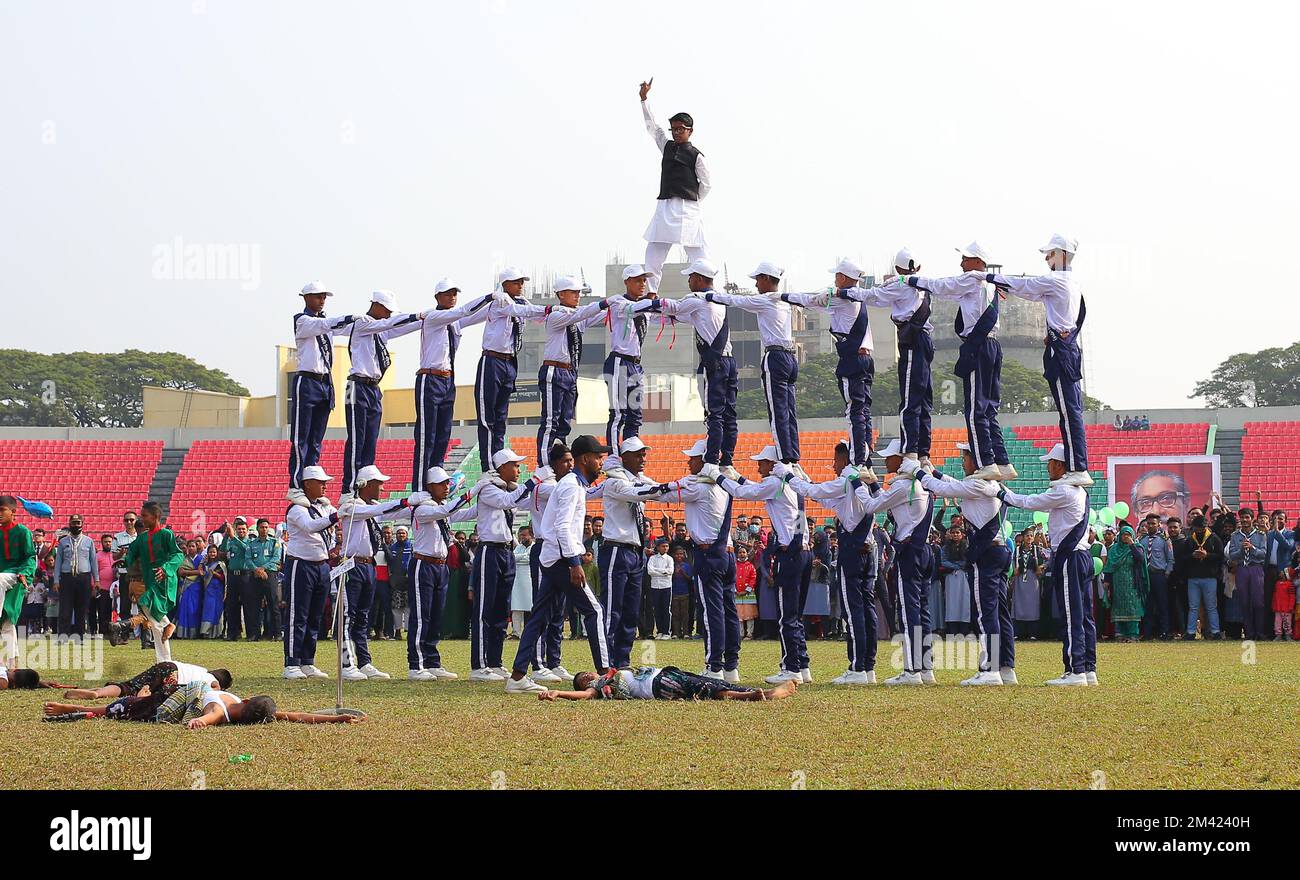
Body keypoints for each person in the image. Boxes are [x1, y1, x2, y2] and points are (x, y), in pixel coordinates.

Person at [889, 243, 1013, 480]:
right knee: (988, 409)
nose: (961, 264)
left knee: (975, 411)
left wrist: (912, 281)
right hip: (992, 347)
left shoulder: (973, 279)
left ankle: (986, 463)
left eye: (965, 259)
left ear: (977, 261)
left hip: (979, 346)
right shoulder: (989, 284)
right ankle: (1002, 461)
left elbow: (942, 286)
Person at [507, 437, 613, 694]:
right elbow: (563, 527)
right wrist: (575, 563)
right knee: (594, 611)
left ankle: (518, 676)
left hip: (553, 559)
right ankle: (606, 673)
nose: (601, 462)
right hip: (562, 561)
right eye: (598, 457)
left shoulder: (573, 484)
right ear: (585, 459)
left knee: (539, 618)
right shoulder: (570, 486)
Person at [987, 234, 1091, 486]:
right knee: (1070, 411)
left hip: (1062, 352)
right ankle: (1077, 466)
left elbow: (1026, 287)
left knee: (1068, 412)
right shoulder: (1071, 281)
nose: (1047, 258)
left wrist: (990, 277)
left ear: (1063, 255)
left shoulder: (1056, 280)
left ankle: (1077, 467)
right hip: (1067, 347)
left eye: (1051, 253)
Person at [909, 440, 1016, 684]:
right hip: (998, 551)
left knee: (985, 612)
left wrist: (918, 472)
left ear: (977, 461)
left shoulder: (977, 483)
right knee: (1000, 612)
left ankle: (989, 670)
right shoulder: (988, 482)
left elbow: (945, 489)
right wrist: (932, 470)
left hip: (986, 553)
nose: (962, 461)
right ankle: (1006, 667)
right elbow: (952, 484)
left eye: (966, 457)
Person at [997, 442, 1098, 685]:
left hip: (1070, 556)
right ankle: (1087, 667)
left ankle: (1076, 671)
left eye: (1051, 463)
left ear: (1061, 466)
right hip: (1081, 556)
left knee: (1072, 614)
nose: (1048, 468)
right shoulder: (1079, 491)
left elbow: (1029, 502)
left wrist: (1002, 493)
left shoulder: (1064, 491)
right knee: (1084, 615)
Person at [711, 445, 811, 684]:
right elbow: (757, 489)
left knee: (786, 614)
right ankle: (803, 664)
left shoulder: (775, 483)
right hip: (803, 551)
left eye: (762, 462)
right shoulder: (791, 482)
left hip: (791, 554)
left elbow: (746, 493)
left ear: (773, 464)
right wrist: (739, 477)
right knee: (795, 614)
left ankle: (791, 667)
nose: (759, 466)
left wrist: (720, 477)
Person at [786, 441, 879, 684]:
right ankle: (867, 665)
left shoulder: (847, 482)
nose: (833, 466)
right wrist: (803, 477)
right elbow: (825, 499)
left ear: (846, 461)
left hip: (853, 552)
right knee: (865, 609)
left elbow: (815, 493)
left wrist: (789, 477)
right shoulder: (857, 486)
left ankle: (858, 667)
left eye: (837, 461)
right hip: (866, 553)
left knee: (854, 610)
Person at [849, 440, 935, 685]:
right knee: (923, 611)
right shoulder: (918, 484)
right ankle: (925, 668)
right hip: (924, 549)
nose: (886, 461)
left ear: (901, 460)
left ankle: (911, 671)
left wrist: (857, 482)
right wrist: (874, 483)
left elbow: (872, 506)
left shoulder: (904, 486)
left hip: (909, 551)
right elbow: (887, 499)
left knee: (909, 612)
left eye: (890, 457)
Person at [839, 248, 934, 466]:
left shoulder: (899, 284)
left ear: (897, 268)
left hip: (912, 339)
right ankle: (923, 453)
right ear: (917, 267)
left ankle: (910, 451)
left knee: (910, 398)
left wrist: (844, 293)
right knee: (923, 399)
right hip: (926, 340)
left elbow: (870, 296)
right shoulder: (925, 284)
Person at [705, 261, 802, 465]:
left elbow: (735, 300)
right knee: (790, 411)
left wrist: (710, 296)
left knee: (778, 412)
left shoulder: (765, 300)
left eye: (758, 280)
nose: (756, 285)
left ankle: (785, 459)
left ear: (767, 279)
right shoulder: (784, 301)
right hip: (791, 357)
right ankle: (793, 455)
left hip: (775, 356)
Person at [783, 259, 875, 466]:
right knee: (863, 411)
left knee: (854, 411)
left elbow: (809, 300)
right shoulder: (854, 299)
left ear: (842, 277)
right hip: (865, 358)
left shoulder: (841, 299)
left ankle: (858, 460)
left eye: (836, 276)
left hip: (852, 360)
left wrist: (783, 296)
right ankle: (866, 456)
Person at [388, 467, 477, 680]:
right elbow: (445, 512)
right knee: (421, 615)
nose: (447, 487)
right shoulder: (422, 509)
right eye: (442, 484)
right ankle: (416, 664)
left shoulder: (441, 508)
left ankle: (432, 660)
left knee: (437, 615)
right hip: (423, 564)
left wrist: (481, 502)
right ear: (430, 487)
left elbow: (460, 513)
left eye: (448, 483)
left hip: (440, 566)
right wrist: (470, 493)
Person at [652, 260, 738, 469]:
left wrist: (650, 304)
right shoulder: (717, 302)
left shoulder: (697, 299)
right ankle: (727, 461)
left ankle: (711, 461)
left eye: (690, 277)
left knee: (713, 415)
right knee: (729, 416)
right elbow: (684, 317)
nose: (688, 281)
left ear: (699, 279)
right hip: (729, 361)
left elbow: (675, 308)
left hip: (714, 364)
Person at [340, 290, 424, 501]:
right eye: (386, 310)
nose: (388, 315)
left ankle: (366, 485)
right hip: (356, 386)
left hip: (374, 388)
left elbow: (400, 327)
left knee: (371, 440)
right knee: (357, 438)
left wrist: (425, 319)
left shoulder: (380, 330)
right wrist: (415, 316)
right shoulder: (363, 323)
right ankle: (348, 489)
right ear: (376, 306)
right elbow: (389, 324)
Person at [590, 436, 663, 669]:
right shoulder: (614, 482)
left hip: (636, 552)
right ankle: (607, 663)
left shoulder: (641, 480)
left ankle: (622, 661)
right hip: (616, 550)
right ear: (623, 458)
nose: (643, 459)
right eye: (637, 455)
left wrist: (677, 488)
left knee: (631, 612)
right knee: (613, 610)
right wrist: (662, 489)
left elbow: (657, 490)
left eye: (644, 454)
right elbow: (637, 493)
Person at [336, 465, 414, 680]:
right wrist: (403, 502)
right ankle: (346, 663)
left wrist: (414, 503)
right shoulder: (352, 506)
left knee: (363, 616)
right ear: (366, 485)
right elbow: (377, 511)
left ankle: (364, 661)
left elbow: (394, 510)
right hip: (352, 564)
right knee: (348, 616)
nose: (381, 487)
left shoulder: (373, 507)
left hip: (368, 565)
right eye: (378, 483)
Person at [412, 278, 492, 485]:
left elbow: (474, 315)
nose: (452, 297)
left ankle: (436, 478)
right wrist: (488, 297)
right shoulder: (435, 316)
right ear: (437, 297)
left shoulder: (453, 320)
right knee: (426, 435)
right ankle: (419, 484)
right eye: (447, 294)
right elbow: (465, 311)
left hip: (448, 380)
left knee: (443, 434)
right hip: (430, 378)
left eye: (455, 294)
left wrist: (498, 305)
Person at [469, 448, 540, 681]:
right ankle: (478, 666)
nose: (518, 470)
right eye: (515, 466)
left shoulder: (506, 489)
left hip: (506, 552)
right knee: (484, 609)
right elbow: (507, 501)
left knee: (501, 610)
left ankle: (494, 661)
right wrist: (533, 481)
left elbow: (522, 500)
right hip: (489, 550)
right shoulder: (489, 489)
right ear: (502, 467)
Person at [637, 78, 710, 294]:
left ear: (690, 131)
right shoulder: (666, 146)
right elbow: (653, 128)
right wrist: (644, 100)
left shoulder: (697, 156)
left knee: (699, 253)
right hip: (666, 207)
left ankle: (708, 289)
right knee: (654, 252)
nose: (676, 133)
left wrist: (693, 200)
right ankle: (651, 291)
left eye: (681, 129)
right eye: (674, 129)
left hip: (688, 210)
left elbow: (706, 184)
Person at [474, 268, 549, 472]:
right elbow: (521, 312)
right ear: (505, 284)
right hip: (492, 360)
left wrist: (557, 312)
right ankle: (488, 466)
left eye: (521, 282)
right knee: (487, 418)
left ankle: (498, 461)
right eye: (516, 282)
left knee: (501, 418)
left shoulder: (523, 302)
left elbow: (538, 316)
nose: (521, 285)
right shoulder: (501, 302)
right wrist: (549, 309)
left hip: (510, 361)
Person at [288, 281, 357, 502]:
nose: (322, 300)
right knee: (301, 438)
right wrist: (348, 318)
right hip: (307, 380)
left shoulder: (324, 322)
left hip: (324, 381)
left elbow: (336, 327)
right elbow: (328, 325)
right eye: (318, 296)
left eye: (324, 296)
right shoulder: (303, 320)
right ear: (307, 297)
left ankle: (312, 481)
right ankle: (296, 484)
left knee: (317, 438)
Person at [534, 276, 611, 464]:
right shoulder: (557, 315)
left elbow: (597, 316)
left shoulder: (577, 317)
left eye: (578, 292)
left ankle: (560, 461)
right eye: (573, 292)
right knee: (550, 421)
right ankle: (543, 464)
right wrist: (603, 303)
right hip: (555, 370)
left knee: (565, 422)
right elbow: (580, 315)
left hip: (570, 372)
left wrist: (618, 307)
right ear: (561, 294)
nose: (578, 296)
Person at [43, 684, 361, 727]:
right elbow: (295, 717)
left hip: (162, 704)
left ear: (247, 700)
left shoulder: (225, 707)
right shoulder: (230, 710)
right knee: (125, 706)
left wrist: (199, 723)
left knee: (121, 707)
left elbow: (207, 719)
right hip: (167, 700)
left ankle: (75, 711)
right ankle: (78, 710)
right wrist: (334, 719)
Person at [282, 465, 342, 680]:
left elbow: (331, 524)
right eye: (321, 482)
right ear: (307, 484)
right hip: (301, 564)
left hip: (321, 565)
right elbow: (311, 526)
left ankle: (307, 660)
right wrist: (336, 517)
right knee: (297, 614)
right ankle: (291, 662)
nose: (325, 486)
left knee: (315, 615)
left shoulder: (324, 506)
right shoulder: (297, 509)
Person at [604, 265, 659, 454]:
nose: (642, 284)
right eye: (637, 280)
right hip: (619, 361)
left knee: (635, 415)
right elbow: (633, 309)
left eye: (644, 280)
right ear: (626, 282)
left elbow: (662, 315)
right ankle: (613, 457)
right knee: (619, 414)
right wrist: (651, 303)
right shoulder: (619, 302)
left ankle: (630, 454)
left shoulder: (645, 305)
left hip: (636, 364)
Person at [123, 501, 184, 664]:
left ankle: (164, 660)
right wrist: (124, 559)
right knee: (154, 618)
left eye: (144, 516)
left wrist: (166, 569)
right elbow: (131, 553)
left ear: (155, 517)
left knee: (149, 609)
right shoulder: (142, 538)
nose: (141, 519)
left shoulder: (166, 535)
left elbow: (178, 555)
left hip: (165, 580)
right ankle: (168, 628)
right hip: (150, 580)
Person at [539, 667, 797, 703]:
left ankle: (750, 694)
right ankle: (753, 697)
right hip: (660, 684)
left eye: (588, 673)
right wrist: (559, 692)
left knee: (708, 684)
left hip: (663, 676)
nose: (588, 675)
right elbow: (584, 695)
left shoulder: (609, 677)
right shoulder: (597, 687)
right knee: (705, 687)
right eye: (585, 676)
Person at [57, 660, 232, 701]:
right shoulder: (212, 681)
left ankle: (97, 692)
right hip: (174, 679)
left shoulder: (200, 670)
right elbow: (215, 690)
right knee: (151, 700)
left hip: (168, 666)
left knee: (129, 686)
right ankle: (139, 700)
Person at [0, 496, 36, 684]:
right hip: (2, 578)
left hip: (16, 577)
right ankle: (11, 665)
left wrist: (24, 572)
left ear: (13, 512)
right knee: (7, 622)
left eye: (2, 510)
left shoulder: (23, 532)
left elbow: (30, 557)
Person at [52, 515, 97, 639]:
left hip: (84, 578)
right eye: (73, 523)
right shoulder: (63, 542)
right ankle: (63, 636)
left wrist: (96, 579)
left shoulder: (89, 541)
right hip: (67, 578)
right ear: (69, 524)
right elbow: (58, 563)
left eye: (78, 523)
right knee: (65, 609)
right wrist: (56, 580)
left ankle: (80, 636)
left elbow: (93, 561)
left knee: (81, 609)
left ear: (82, 523)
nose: (76, 525)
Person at [1102, 523, 1148, 641]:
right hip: (1117, 583)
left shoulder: (1137, 547)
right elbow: (1109, 566)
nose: (1125, 537)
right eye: (1123, 535)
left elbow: (1140, 558)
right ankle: (1120, 633)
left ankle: (1133, 634)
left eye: (1128, 535)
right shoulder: (1114, 550)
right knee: (1118, 606)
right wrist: (1106, 583)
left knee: (1132, 607)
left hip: (1133, 583)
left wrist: (1131, 544)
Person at [1227, 507, 1269, 640]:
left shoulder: (1260, 535)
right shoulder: (1235, 536)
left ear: (1252, 519)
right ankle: (1249, 633)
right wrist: (1241, 549)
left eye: (1247, 517)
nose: (1244, 520)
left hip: (1256, 568)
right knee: (1244, 602)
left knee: (1258, 602)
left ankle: (1260, 633)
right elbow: (1232, 556)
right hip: (1242, 569)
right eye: (1242, 517)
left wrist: (1253, 548)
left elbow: (1263, 554)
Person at [245, 518, 282, 641]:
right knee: (254, 606)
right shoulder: (251, 543)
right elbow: (248, 559)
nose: (264, 529)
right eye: (262, 527)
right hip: (255, 577)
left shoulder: (274, 542)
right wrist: (257, 570)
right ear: (257, 528)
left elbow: (275, 558)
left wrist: (262, 569)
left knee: (273, 605)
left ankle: (277, 634)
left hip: (269, 576)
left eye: (266, 527)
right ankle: (254, 634)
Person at [1139, 514, 1174, 640]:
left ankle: (1164, 632)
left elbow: (1170, 559)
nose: (1150, 526)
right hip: (1146, 576)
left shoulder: (1165, 540)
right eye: (1148, 523)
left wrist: (1167, 574)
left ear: (1159, 524)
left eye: (1153, 523)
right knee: (1147, 605)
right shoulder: (1142, 540)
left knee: (1162, 605)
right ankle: (1147, 633)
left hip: (1159, 575)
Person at [647, 539, 675, 639]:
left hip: (666, 586)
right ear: (658, 547)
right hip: (655, 586)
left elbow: (670, 571)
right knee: (657, 609)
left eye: (667, 546)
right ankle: (660, 631)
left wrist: (658, 571)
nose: (665, 548)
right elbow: (650, 571)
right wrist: (663, 572)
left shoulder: (669, 559)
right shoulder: (653, 558)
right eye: (663, 546)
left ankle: (667, 632)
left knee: (666, 609)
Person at [511, 525, 534, 639]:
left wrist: (519, 558)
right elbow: (512, 558)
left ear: (531, 535)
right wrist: (523, 557)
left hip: (530, 580)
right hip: (518, 580)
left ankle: (529, 632)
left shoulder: (534, 547)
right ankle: (516, 632)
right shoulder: (519, 547)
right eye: (520, 535)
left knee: (530, 607)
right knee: (516, 607)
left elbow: (531, 559)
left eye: (524, 535)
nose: (522, 538)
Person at [94, 534, 116, 635]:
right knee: (102, 610)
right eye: (106, 542)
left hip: (114, 588)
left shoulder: (115, 555)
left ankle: (111, 630)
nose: (108, 543)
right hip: (102, 588)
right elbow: (93, 572)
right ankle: (103, 631)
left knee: (112, 611)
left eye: (109, 542)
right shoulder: (97, 555)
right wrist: (94, 586)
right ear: (101, 543)